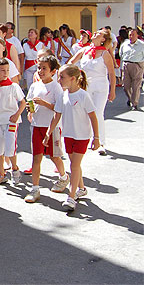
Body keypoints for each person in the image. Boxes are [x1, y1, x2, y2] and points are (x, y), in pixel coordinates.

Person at [44, 64, 100, 211]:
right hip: (68, 135)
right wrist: (48, 133)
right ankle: (81, 188)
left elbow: (93, 117)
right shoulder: (63, 95)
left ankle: (71, 197)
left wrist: (97, 137)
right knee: (74, 164)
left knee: (74, 166)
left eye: (62, 77)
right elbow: (57, 115)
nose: (59, 80)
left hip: (82, 136)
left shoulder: (83, 96)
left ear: (73, 78)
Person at [24, 55, 69, 203]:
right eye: (39, 68)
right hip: (37, 126)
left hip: (52, 127)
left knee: (54, 156)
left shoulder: (56, 87)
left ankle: (63, 177)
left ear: (53, 71)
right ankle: (35, 188)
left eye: (45, 68)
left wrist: (44, 103)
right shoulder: (34, 85)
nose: (41, 71)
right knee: (36, 157)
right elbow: (29, 102)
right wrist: (30, 110)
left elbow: (59, 109)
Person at [67, 29, 116, 155]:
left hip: (101, 86)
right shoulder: (84, 50)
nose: (94, 34)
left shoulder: (105, 54)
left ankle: (101, 142)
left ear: (103, 39)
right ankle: (87, 138)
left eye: (98, 34)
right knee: (86, 112)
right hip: (86, 85)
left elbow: (111, 73)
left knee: (98, 112)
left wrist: (113, 90)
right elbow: (71, 63)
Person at [0, 59, 26, 186]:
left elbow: (23, 102)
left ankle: (15, 170)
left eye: (7, 70)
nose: (5, 73)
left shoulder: (13, 86)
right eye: (2, 70)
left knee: (10, 147)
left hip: (11, 121)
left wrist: (16, 114)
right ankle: (1, 174)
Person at [119, 28, 144, 110]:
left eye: (133, 35)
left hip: (137, 65)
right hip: (126, 65)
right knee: (125, 86)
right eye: (130, 34)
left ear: (137, 35)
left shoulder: (142, 45)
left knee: (136, 86)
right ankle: (130, 99)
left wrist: (141, 66)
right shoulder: (124, 44)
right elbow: (121, 55)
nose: (131, 36)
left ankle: (134, 103)